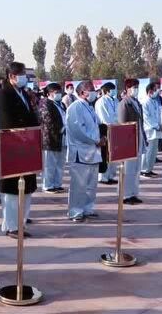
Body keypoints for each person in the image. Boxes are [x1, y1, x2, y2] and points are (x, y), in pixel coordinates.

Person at [0, 62, 39, 238]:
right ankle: (12, 226)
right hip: (13, 146)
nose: (24, 78)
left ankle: (21, 223)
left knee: (27, 187)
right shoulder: (4, 94)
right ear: (12, 76)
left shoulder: (24, 94)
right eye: (21, 74)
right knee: (13, 190)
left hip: (28, 145)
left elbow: (30, 116)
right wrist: (23, 136)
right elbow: (8, 121)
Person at [66, 80, 103, 222]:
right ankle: (75, 212)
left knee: (91, 184)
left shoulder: (89, 107)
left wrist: (101, 138)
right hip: (80, 151)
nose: (94, 91)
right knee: (79, 185)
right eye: (91, 89)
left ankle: (88, 208)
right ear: (82, 92)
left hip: (93, 151)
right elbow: (78, 130)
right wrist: (95, 140)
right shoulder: (75, 107)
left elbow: (96, 125)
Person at [118, 78, 147, 204]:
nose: (136, 90)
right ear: (127, 89)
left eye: (137, 87)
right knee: (127, 170)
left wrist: (144, 138)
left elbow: (141, 123)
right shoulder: (124, 103)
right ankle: (125, 195)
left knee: (136, 169)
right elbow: (122, 124)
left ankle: (134, 193)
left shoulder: (137, 103)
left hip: (138, 138)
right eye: (133, 87)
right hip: (129, 141)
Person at [39, 82, 67, 193]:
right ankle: (48, 185)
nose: (59, 94)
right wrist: (62, 128)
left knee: (60, 163)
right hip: (50, 138)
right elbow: (48, 121)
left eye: (60, 92)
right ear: (49, 93)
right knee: (49, 164)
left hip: (62, 137)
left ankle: (57, 183)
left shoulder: (61, 104)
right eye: (56, 92)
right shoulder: (45, 103)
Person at [94, 82, 119, 185]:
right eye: (111, 90)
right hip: (105, 129)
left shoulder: (116, 100)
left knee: (113, 154)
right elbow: (104, 117)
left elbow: (117, 114)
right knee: (105, 154)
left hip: (116, 129)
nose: (113, 91)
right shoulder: (101, 102)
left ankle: (111, 175)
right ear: (106, 91)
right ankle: (103, 176)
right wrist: (111, 126)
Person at [140, 82, 162, 178]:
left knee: (153, 151)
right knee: (148, 151)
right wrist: (157, 126)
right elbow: (146, 118)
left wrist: (161, 125)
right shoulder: (145, 102)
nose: (158, 91)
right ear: (150, 91)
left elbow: (159, 115)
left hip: (156, 131)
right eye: (156, 89)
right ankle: (144, 170)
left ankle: (150, 169)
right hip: (149, 130)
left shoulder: (155, 102)